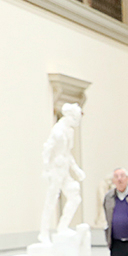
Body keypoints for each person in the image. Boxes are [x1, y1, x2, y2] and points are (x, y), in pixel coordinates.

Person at [39, 103, 85, 244]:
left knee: (75, 197)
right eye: (75, 119)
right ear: (69, 116)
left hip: (64, 168)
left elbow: (67, 153)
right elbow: (47, 150)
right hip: (55, 169)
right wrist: (46, 169)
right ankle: (44, 232)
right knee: (51, 200)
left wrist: (76, 169)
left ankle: (63, 226)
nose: (76, 122)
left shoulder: (69, 131)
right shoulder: (57, 131)